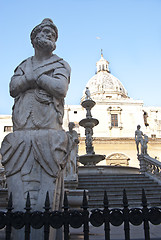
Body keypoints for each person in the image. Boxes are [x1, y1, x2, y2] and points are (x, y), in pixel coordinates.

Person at [0, 18, 71, 239]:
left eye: (53, 33)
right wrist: (38, 79)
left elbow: (60, 88)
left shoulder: (60, 64)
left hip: (48, 126)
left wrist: (33, 79)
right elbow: (13, 87)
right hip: (22, 126)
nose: (50, 35)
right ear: (34, 38)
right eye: (45, 32)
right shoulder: (23, 64)